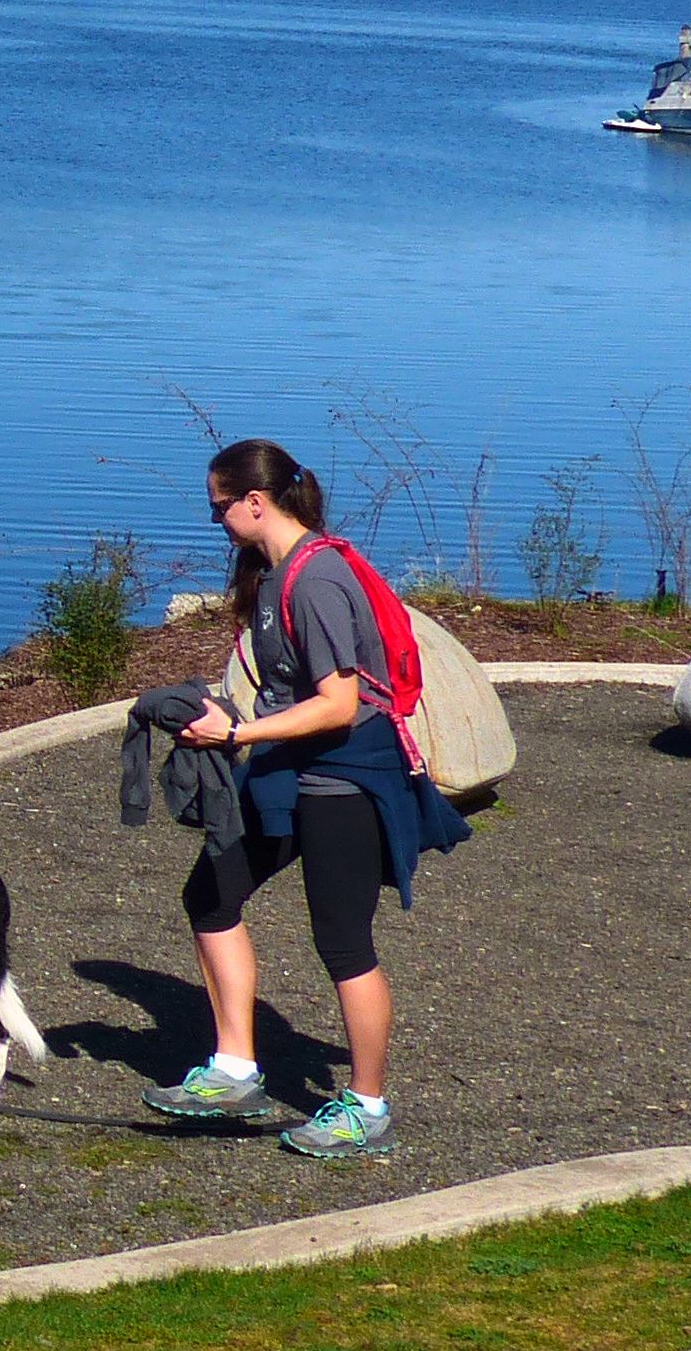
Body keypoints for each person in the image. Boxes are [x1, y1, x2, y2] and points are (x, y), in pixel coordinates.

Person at [147, 439, 470, 1158]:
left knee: (343, 940)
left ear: (254, 502)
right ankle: (234, 1069)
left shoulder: (317, 580)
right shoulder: (273, 576)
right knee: (210, 893)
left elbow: (337, 703)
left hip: (344, 777)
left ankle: (366, 1106)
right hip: (289, 766)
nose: (216, 521)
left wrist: (238, 733)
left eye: (217, 508)